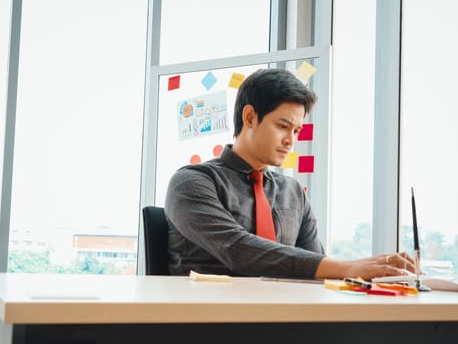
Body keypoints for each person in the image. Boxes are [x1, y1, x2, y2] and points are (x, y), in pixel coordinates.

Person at [164, 68, 416, 280]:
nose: (290, 141)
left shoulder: (293, 192)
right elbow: (237, 248)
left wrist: (368, 270)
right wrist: (350, 266)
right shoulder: (191, 182)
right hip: (210, 323)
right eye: (283, 126)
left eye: (296, 131)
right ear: (250, 117)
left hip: (284, 320)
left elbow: (315, 267)